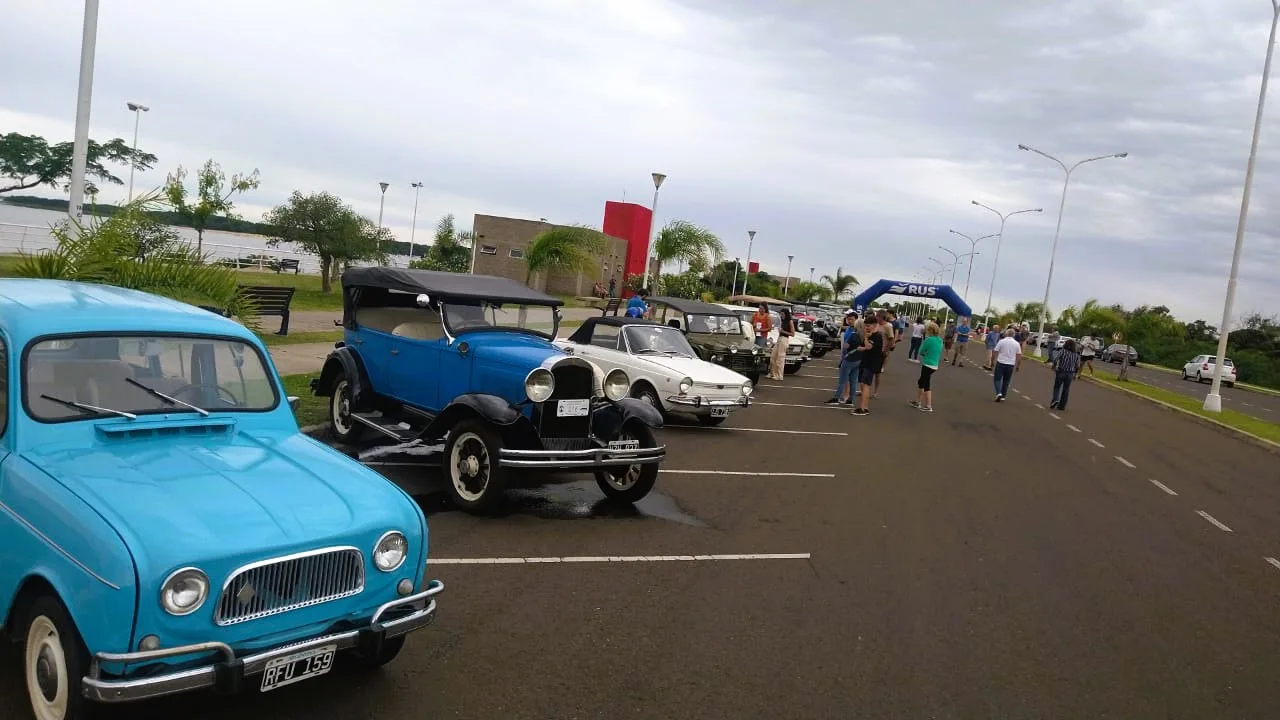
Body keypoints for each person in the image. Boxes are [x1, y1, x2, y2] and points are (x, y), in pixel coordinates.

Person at [851, 313, 885, 416]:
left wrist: (865, 338)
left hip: (871, 364)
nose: (866, 328)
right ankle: (864, 407)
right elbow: (864, 347)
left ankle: (863, 409)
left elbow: (869, 346)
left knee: (865, 384)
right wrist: (859, 347)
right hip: (865, 362)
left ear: (874, 325)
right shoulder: (870, 335)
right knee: (862, 384)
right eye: (865, 326)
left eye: (868, 326)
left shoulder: (877, 336)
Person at [826, 311, 862, 405]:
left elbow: (846, 346)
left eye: (852, 319)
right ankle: (850, 399)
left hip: (849, 358)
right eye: (848, 319)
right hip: (857, 359)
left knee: (843, 380)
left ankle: (836, 398)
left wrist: (845, 353)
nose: (849, 321)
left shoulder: (854, 334)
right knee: (853, 380)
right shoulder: (861, 334)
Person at [910, 321, 943, 412]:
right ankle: (918, 401)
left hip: (927, 364)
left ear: (930, 330)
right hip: (934, 365)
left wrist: (925, 353)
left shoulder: (929, 340)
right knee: (922, 382)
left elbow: (921, 351)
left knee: (925, 384)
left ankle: (928, 406)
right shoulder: (940, 340)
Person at [1050, 338, 1083, 411]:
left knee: (1057, 387)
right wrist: (1075, 374)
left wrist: (1054, 367)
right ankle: (1062, 406)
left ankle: (1055, 400)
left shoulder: (1063, 351)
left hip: (1061, 371)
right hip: (1070, 373)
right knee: (1066, 389)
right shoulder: (1076, 355)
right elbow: (1078, 366)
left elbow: (1055, 359)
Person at [993, 328, 1023, 401]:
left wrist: (992, 361)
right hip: (1010, 364)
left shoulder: (1001, 341)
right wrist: (1018, 366)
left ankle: (998, 393)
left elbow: (995, 351)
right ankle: (1003, 396)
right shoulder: (1017, 344)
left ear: (1006, 334)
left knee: (997, 379)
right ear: (1014, 335)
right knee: (1006, 380)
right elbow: (1019, 356)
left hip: (1001, 362)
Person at [769, 306, 794, 380]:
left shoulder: (790, 321)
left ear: (786, 314)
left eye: (782, 314)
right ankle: (772, 373)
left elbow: (792, 334)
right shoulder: (782, 321)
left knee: (780, 357)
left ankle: (779, 375)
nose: (781, 315)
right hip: (779, 338)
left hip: (784, 339)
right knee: (773, 356)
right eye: (781, 314)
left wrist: (783, 331)